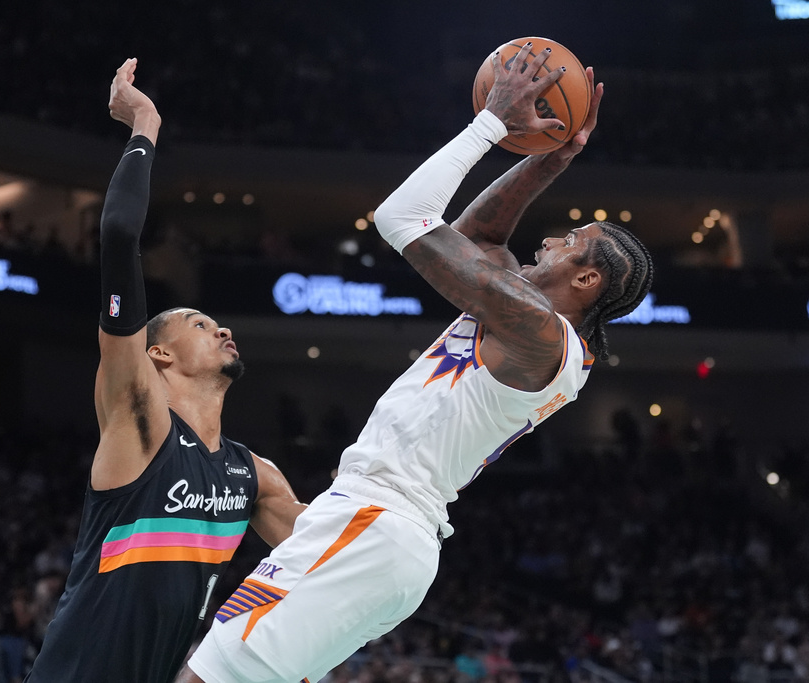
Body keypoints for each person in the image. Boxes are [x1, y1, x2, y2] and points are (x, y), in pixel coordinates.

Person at [180, 43, 653, 683]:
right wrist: (555, 156)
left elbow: (404, 218)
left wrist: (491, 122)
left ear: (588, 277)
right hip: (371, 524)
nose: (546, 239)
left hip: (377, 522)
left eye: (567, 243)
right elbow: (479, 238)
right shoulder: (527, 318)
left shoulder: (539, 334)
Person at [23, 58, 305, 683]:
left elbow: (323, 552)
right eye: (201, 324)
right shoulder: (138, 421)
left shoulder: (252, 474)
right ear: (159, 354)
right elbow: (120, 234)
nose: (223, 328)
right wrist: (144, 123)